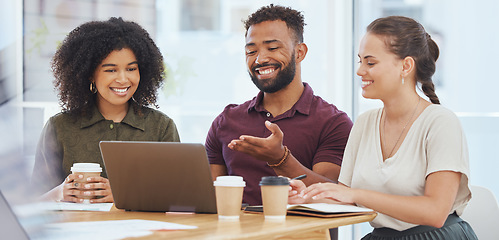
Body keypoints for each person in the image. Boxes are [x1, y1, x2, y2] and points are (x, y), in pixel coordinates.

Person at [289, 16, 478, 239]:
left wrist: (355, 193)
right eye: (360, 61)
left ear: (406, 66)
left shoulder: (440, 123)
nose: (360, 71)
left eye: (370, 62)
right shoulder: (364, 123)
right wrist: (308, 197)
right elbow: (345, 198)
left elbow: (435, 212)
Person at [205, 4, 353, 206]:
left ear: (300, 52)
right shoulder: (226, 121)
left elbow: (334, 197)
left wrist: (281, 160)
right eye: (251, 51)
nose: (260, 59)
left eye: (272, 48)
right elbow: (206, 199)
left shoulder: (333, 122)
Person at [32, 17, 180, 203]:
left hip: (140, 230)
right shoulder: (59, 127)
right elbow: (31, 201)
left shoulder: (161, 127)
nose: (123, 79)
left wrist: (123, 194)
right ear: (90, 74)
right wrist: (60, 193)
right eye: (111, 70)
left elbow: (177, 194)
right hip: (77, 229)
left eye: (131, 69)